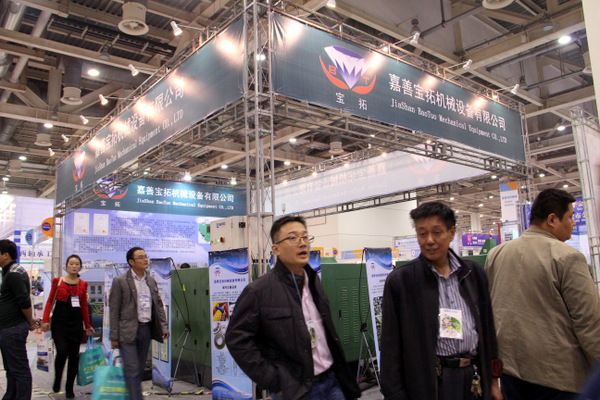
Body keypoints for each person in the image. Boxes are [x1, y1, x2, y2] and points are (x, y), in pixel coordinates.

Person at [225, 215, 361, 400]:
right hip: (297, 390)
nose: (302, 243)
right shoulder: (258, 291)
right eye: (293, 238)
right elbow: (236, 339)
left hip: (332, 381)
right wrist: (274, 381)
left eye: (305, 237)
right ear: (276, 249)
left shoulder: (313, 281)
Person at [485, 188, 600, 399]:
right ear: (552, 219)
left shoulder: (496, 254)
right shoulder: (568, 257)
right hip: (557, 377)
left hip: (510, 371)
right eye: (570, 217)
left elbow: (490, 310)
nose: (573, 223)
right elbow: (589, 322)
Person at [380, 201, 502, 400]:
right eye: (422, 234)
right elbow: (390, 347)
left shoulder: (472, 274)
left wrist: (494, 381)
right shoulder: (401, 281)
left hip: (472, 376)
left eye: (436, 232)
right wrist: (395, 395)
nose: (429, 240)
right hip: (432, 382)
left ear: (451, 232)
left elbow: (488, 332)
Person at [109, 247, 169, 400]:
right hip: (127, 331)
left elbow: (158, 306)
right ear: (131, 262)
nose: (145, 260)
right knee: (132, 369)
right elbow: (114, 311)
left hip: (145, 330)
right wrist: (114, 336)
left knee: (139, 369)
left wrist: (164, 327)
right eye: (141, 257)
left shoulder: (150, 281)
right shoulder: (120, 281)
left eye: (145, 256)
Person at [42, 254, 94, 398]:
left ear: (80, 267)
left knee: (74, 356)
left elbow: (84, 306)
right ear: (66, 266)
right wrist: (45, 320)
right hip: (59, 323)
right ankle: (58, 378)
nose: (74, 266)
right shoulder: (58, 281)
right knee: (62, 351)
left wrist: (87, 325)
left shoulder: (83, 284)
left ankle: (69, 387)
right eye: (71, 263)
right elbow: (49, 301)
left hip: (75, 324)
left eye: (76, 264)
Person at [0, 239, 40, 400]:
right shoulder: (9, 271)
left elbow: (24, 301)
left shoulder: (14, 274)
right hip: (8, 328)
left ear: (5, 255)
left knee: (19, 369)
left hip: (13, 328)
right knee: (11, 369)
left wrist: (30, 321)